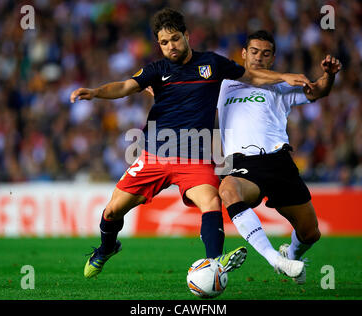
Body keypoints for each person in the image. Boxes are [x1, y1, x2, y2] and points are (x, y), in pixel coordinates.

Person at [70, 9, 311, 279]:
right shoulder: (157, 70)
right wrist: (95, 92)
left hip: (195, 155)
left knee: (211, 201)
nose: (171, 46)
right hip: (156, 154)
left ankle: (214, 265)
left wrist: (284, 77)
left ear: (186, 35)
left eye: (175, 39)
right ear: (158, 45)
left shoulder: (212, 64)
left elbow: (252, 76)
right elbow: (126, 86)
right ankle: (106, 248)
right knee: (113, 210)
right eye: (164, 42)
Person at [216, 30, 342, 283]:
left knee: (310, 233)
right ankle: (276, 259)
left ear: (272, 59)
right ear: (243, 54)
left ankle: (292, 254)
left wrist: (329, 75)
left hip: (279, 161)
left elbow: (318, 92)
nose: (259, 58)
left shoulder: (281, 85)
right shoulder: (222, 84)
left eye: (265, 54)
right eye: (254, 52)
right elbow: (187, 91)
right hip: (243, 163)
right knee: (228, 189)